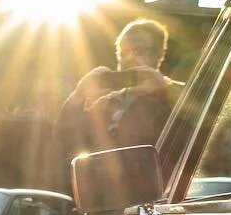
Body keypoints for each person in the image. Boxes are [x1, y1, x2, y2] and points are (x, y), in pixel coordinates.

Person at [55, 19, 182, 167]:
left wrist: (164, 92)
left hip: (157, 186)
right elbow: (66, 140)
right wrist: (78, 95)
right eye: (123, 52)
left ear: (159, 54)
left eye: (139, 51)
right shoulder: (106, 100)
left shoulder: (182, 97)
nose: (128, 58)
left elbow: (195, 136)